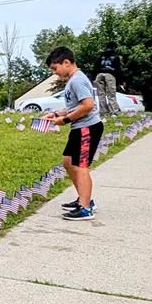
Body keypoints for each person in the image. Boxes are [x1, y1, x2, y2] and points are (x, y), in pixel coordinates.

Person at [44, 46, 103, 219]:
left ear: (66, 62)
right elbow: (75, 106)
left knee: (80, 166)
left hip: (87, 128)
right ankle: (84, 199)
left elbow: (88, 105)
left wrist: (65, 120)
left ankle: (86, 208)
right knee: (69, 162)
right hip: (78, 128)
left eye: (55, 68)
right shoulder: (73, 81)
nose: (55, 73)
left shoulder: (77, 80)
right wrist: (57, 114)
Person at [95, 42, 124, 117]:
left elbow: (95, 67)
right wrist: (120, 81)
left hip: (99, 75)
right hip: (110, 75)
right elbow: (118, 69)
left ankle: (104, 113)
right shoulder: (115, 56)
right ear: (114, 47)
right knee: (111, 94)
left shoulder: (101, 56)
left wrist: (93, 77)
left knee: (101, 95)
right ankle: (114, 112)